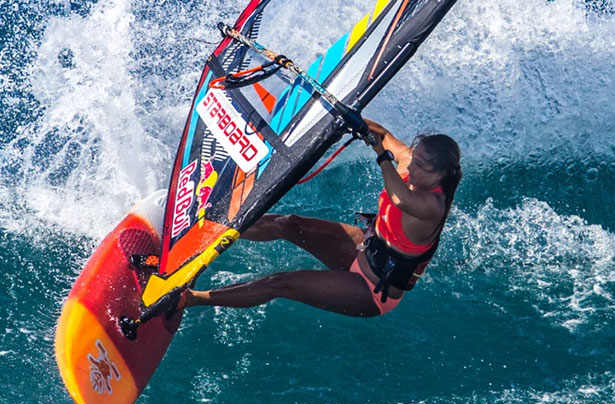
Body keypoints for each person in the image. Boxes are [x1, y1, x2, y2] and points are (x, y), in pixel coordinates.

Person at [181, 120, 461, 318]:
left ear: (441, 176)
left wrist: (381, 156)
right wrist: (347, 118)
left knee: (281, 283)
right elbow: (383, 133)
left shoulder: (432, 206)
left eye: (421, 166)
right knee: (288, 223)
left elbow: (399, 197)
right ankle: (208, 227)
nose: (412, 165)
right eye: (414, 157)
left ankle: (191, 299)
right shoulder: (410, 161)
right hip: (364, 246)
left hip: (371, 290)